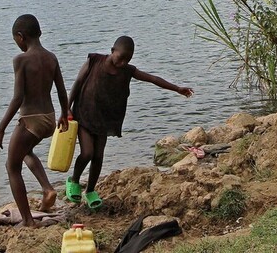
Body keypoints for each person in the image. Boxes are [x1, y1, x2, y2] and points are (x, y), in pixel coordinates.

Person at [65, 35, 193, 208]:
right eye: (121, 58)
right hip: (84, 113)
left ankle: (90, 191)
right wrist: (67, 108)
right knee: (87, 153)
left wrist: (177, 88)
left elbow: (153, 79)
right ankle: (74, 181)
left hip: (104, 119)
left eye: (128, 59)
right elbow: (78, 83)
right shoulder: (94, 61)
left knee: (98, 156)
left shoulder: (127, 71)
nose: (123, 63)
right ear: (112, 51)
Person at [0, 14, 69, 227]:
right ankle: (48, 189)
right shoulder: (51, 58)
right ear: (39, 33)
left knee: (12, 166)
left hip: (31, 120)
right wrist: (65, 114)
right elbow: (62, 90)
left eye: (16, 40)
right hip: (49, 119)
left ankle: (27, 221)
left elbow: (18, 98)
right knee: (25, 151)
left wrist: (0, 129)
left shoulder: (21, 60)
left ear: (20, 36)